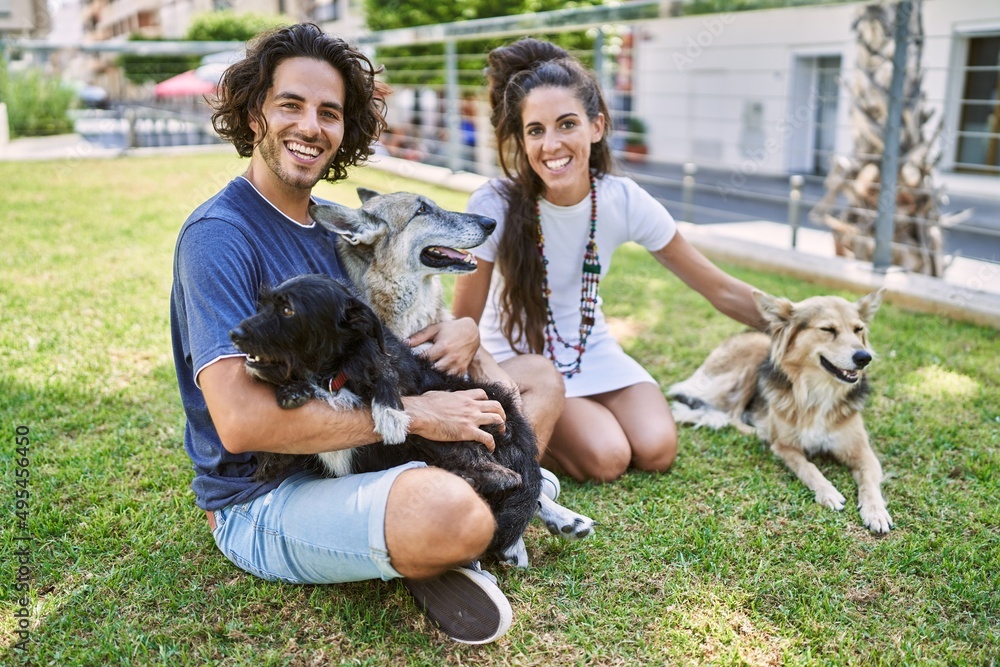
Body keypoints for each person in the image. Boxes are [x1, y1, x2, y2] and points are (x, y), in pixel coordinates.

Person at [169, 23, 562, 645]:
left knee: (536, 379)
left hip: (361, 457)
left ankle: (418, 529)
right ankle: (438, 530)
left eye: (330, 112)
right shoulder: (219, 237)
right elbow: (242, 423)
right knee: (450, 512)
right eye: (290, 105)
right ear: (254, 114)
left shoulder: (336, 233)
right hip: (269, 495)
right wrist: (418, 416)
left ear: (344, 130)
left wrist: (461, 333)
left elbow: (401, 343)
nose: (311, 126)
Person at [452, 38, 768, 483]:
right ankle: (539, 422)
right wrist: (496, 386)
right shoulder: (493, 203)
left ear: (596, 126)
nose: (551, 144)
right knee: (608, 458)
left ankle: (578, 415)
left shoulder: (620, 199)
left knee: (657, 449)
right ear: (522, 139)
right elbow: (462, 325)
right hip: (518, 363)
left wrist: (798, 322)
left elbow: (718, 286)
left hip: (590, 349)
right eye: (536, 130)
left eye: (567, 124)